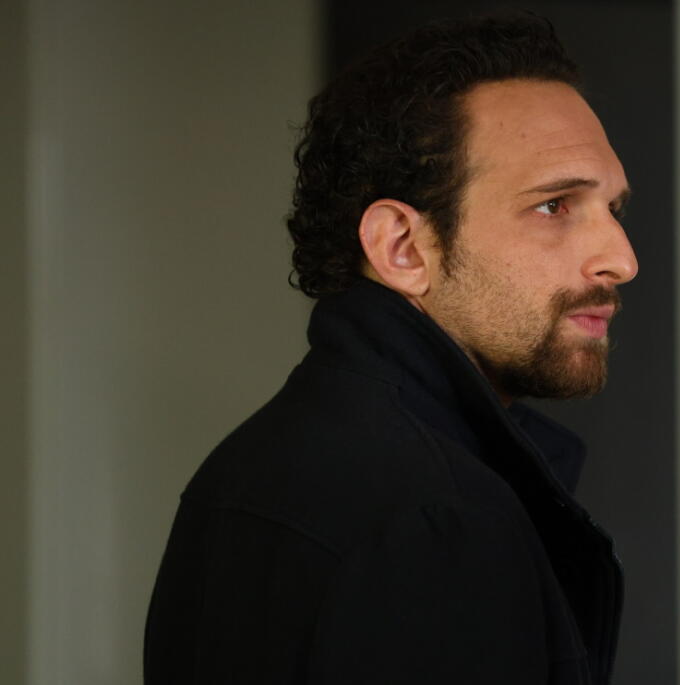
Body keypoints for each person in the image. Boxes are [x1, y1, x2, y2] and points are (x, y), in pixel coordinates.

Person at [143, 14, 636, 684]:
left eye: (614, 210)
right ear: (402, 247)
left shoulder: (245, 466)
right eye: (555, 206)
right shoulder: (439, 521)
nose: (621, 259)